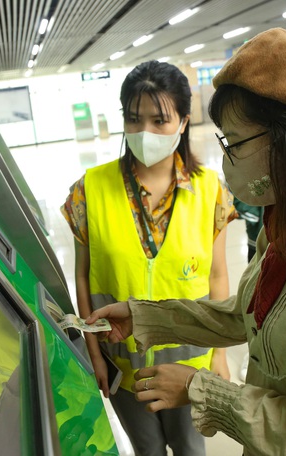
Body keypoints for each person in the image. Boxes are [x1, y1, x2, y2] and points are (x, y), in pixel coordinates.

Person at [87, 28, 286, 455]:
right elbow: (245, 314)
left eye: (235, 142)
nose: (225, 160)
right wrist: (145, 318)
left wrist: (200, 387)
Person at [61, 60, 235, 456]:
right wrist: (94, 357)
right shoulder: (88, 190)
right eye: (134, 119)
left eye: (160, 120)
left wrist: (220, 356)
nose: (145, 132)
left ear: (184, 122)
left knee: (192, 450)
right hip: (125, 367)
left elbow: (219, 278)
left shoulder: (212, 191)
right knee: (147, 451)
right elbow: (84, 279)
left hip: (192, 366)